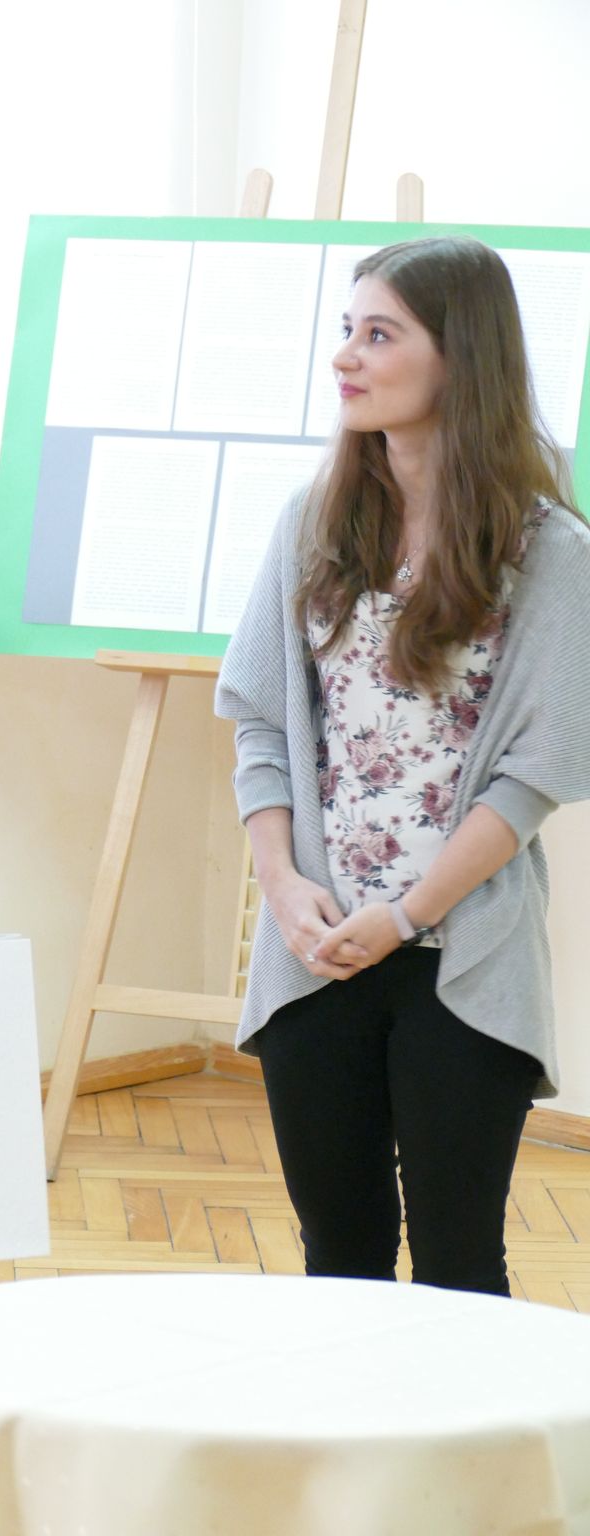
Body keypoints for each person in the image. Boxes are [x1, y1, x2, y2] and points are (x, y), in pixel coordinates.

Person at [216, 235, 590, 1299]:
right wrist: (282, 887)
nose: (346, 356)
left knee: (460, 1266)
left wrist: (407, 914)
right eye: (347, 330)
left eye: (379, 334)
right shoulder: (313, 523)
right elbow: (262, 725)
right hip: (315, 948)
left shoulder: (549, 552)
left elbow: (534, 775)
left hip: (460, 956)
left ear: (459, 357)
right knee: (336, 1259)